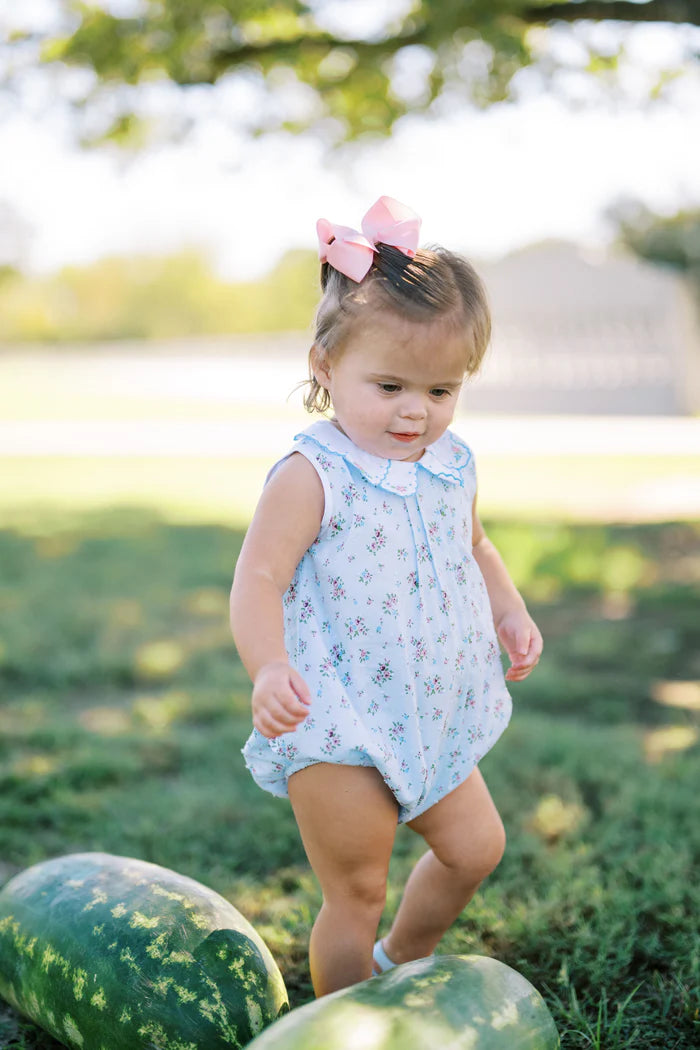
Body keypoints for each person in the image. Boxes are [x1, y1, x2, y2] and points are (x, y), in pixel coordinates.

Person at [230, 196, 543, 998]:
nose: (416, 411)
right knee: (357, 890)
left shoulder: (450, 462)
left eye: (442, 391)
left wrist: (507, 607)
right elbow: (258, 579)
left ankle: (396, 964)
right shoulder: (311, 475)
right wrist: (268, 669)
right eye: (392, 385)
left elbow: (474, 545)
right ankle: (342, 1021)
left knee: (475, 849)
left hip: (428, 703)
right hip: (335, 712)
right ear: (325, 367)